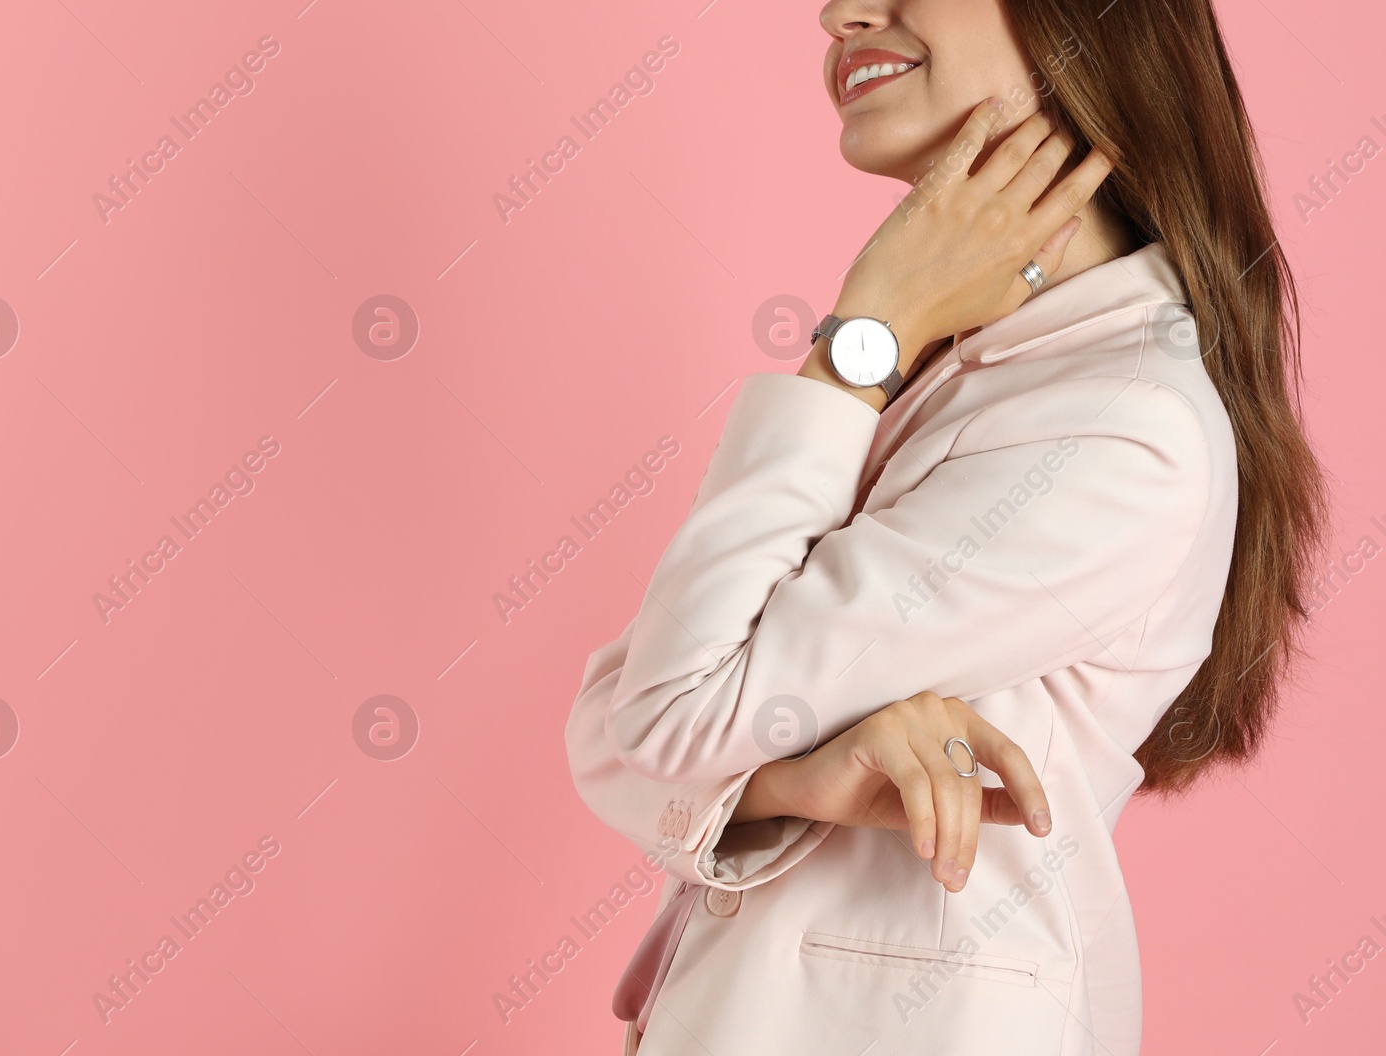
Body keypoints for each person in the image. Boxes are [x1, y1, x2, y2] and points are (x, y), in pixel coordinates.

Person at [562, 1, 1329, 1053]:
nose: (842, 12)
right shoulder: (983, 370)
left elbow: (661, 718)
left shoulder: (1119, 428)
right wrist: (788, 780)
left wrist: (859, 338)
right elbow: (620, 732)